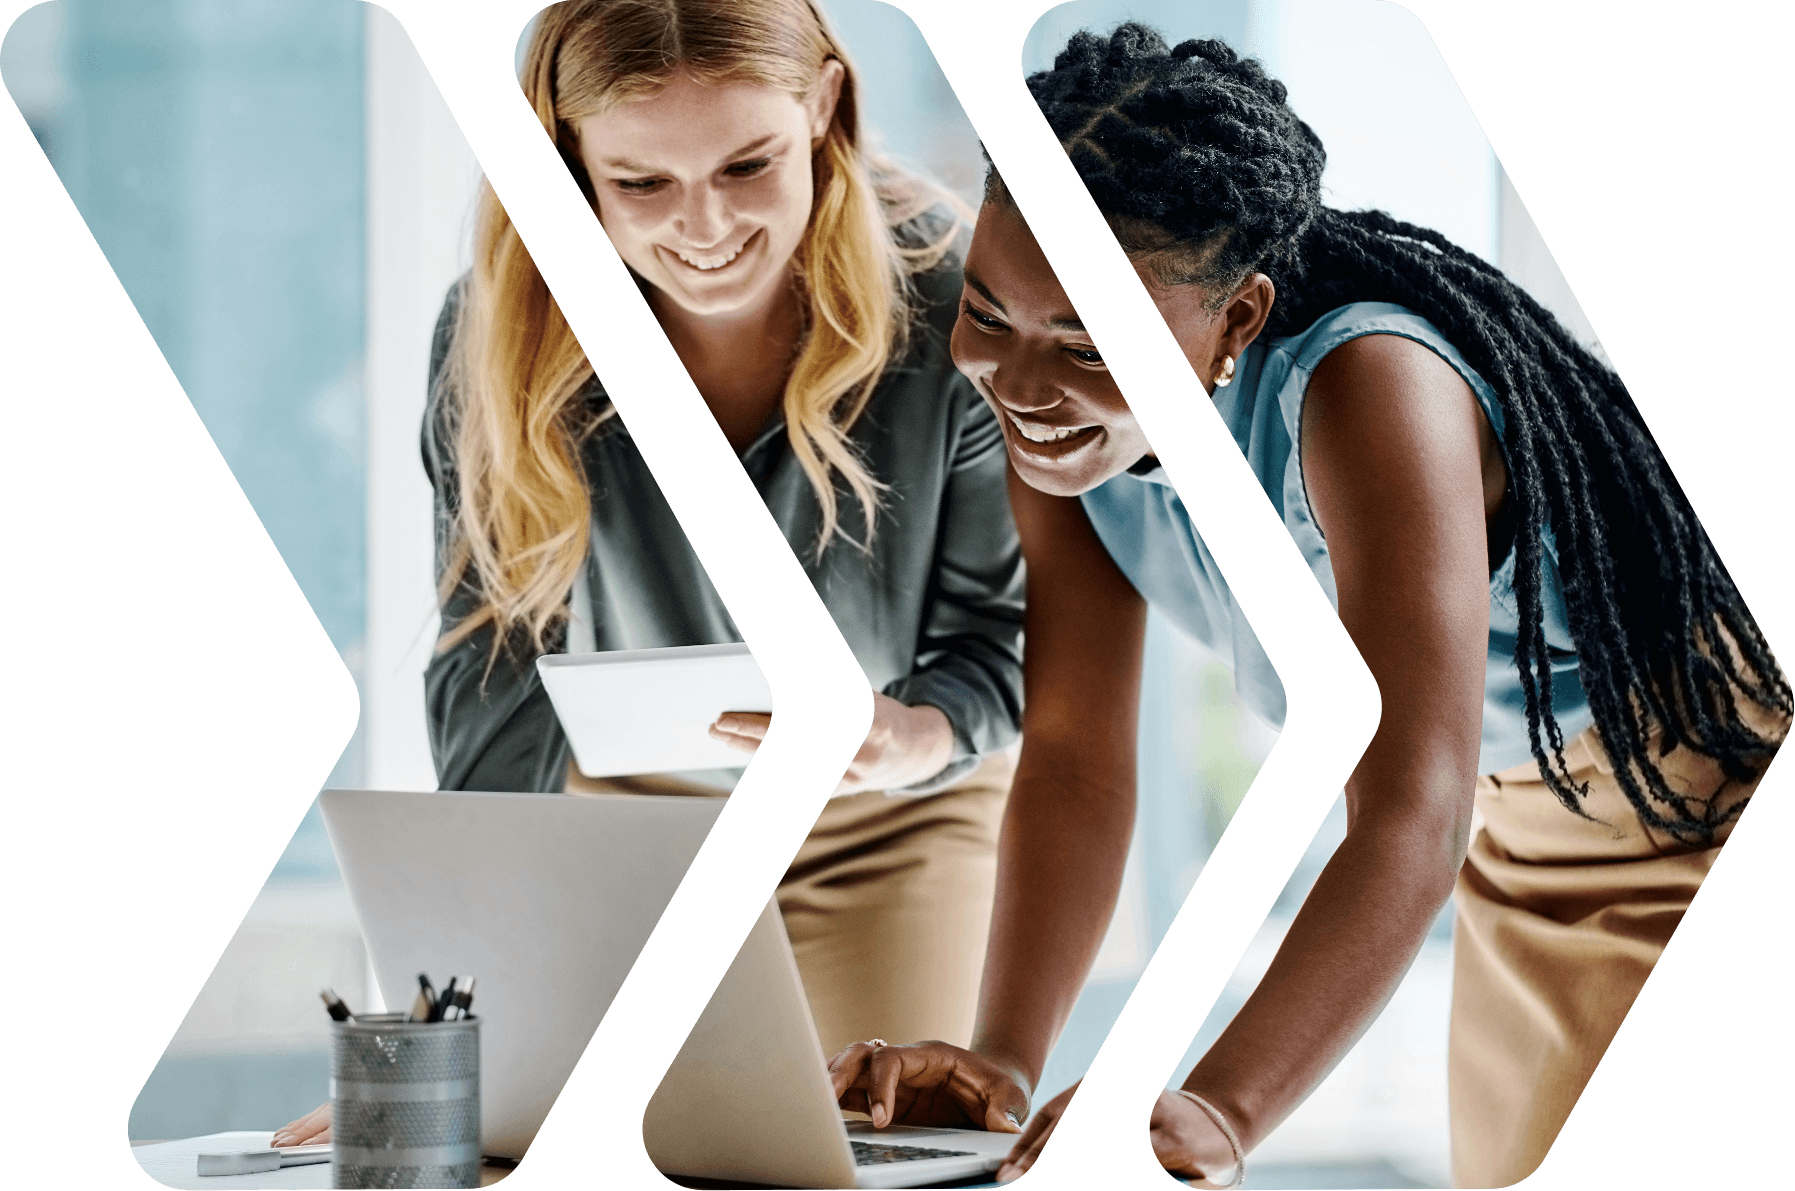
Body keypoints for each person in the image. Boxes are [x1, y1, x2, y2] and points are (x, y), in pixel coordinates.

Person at [827, 26, 1790, 1188]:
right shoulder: (1064, 444)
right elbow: (1078, 756)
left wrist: (1223, 1115)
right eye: (989, 316)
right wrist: (1002, 1061)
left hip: (1704, 794)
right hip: (1526, 817)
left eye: (1090, 342)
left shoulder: (1370, 389)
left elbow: (1404, 813)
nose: (1024, 387)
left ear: (1237, 320)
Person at [273, 0, 1024, 1151]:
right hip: (628, 818)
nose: (705, 225)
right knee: (549, 1141)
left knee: (886, 1153)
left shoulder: (953, 294)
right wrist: (452, 1032)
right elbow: (492, 688)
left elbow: (996, 645)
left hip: (896, 814)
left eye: (749, 162)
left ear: (823, 104)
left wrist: (912, 737)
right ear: (569, 161)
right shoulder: (497, 336)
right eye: (640, 185)